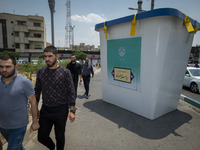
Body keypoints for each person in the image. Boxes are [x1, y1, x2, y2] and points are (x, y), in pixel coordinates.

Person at [35, 46, 76, 150]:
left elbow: (71, 91)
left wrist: (72, 111)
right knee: (41, 137)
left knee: (60, 137)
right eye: (45, 56)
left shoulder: (65, 72)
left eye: (50, 56)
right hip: (45, 110)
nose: (47, 59)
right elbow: (37, 91)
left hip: (61, 110)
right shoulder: (41, 72)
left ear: (57, 56)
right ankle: (52, 147)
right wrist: (35, 109)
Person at [0, 55, 40, 150]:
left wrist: (35, 121)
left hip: (18, 125)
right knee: (17, 146)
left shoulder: (24, 82)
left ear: (15, 67)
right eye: (1, 66)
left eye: (8, 66)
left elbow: (33, 102)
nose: (4, 69)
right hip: (2, 125)